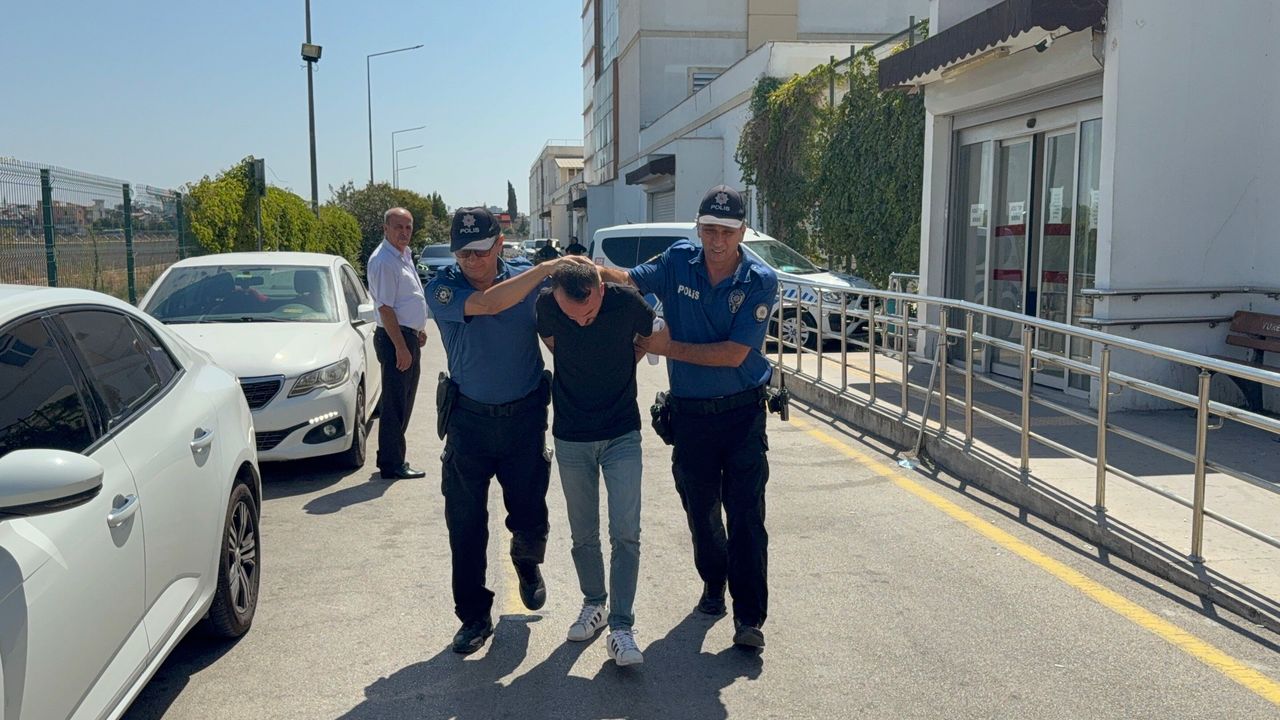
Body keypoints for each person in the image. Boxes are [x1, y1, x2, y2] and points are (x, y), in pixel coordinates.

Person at [597, 184, 777, 650]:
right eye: (710, 229)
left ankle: (749, 618)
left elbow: (735, 354)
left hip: (742, 414)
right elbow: (628, 279)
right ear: (698, 228)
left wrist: (667, 347)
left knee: (746, 515)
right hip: (691, 416)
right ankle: (714, 584)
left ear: (742, 232)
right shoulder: (678, 260)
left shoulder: (759, 280)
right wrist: (582, 269)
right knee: (700, 510)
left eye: (727, 231)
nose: (717, 240)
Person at [427, 206, 589, 655]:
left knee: (531, 512)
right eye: (463, 253)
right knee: (465, 525)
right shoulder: (443, 287)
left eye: (480, 252)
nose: (471, 261)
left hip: (523, 419)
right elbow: (489, 304)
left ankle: (526, 561)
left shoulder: (529, 281)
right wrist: (544, 269)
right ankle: (474, 617)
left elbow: (568, 319)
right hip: (469, 422)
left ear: (499, 245)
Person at [536, 262, 655, 667]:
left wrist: (624, 362)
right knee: (583, 532)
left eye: (587, 314)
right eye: (572, 317)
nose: (581, 323)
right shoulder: (547, 306)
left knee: (626, 531)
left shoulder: (628, 303)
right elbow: (553, 342)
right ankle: (594, 605)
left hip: (622, 432)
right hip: (571, 435)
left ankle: (621, 626)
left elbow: (647, 336)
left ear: (601, 290)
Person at [366, 207, 429, 480]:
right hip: (395, 340)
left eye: (408, 227)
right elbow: (385, 309)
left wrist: (417, 330)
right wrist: (401, 347)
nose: (404, 232)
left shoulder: (402, 255)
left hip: (406, 335)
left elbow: (406, 299)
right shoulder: (384, 261)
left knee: (404, 400)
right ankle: (392, 464)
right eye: (398, 227)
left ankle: (391, 458)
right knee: (395, 404)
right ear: (386, 229)